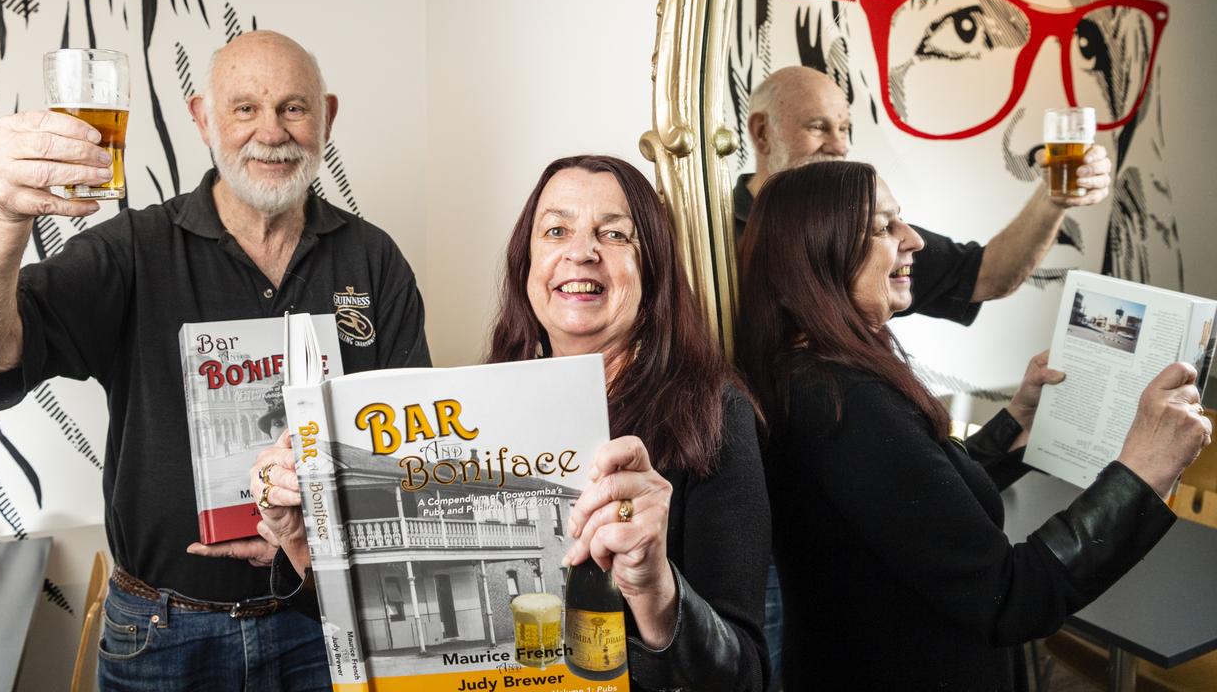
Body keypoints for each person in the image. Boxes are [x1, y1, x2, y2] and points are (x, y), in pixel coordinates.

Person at [0, 31, 430, 690]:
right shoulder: (134, 250)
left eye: (293, 107)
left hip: (326, 619)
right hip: (164, 635)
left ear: (327, 116)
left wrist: (309, 526)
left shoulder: (373, 260)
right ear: (202, 119)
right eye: (245, 109)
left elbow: (414, 453)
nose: (272, 131)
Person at [253, 155, 771, 692]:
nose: (581, 251)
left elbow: (745, 676)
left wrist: (654, 586)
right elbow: (368, 636)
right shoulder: (484, 403)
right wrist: (299, 542)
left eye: (614, 234)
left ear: (654, 268)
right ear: (527, 264)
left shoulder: (713, 410)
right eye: (556, 230)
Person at [735, 160, 1211, 690]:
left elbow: (919, 500)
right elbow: (1011, 598)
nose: (913, 239)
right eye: (883, 226)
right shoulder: (845, 404)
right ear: (817, 251)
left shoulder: (803, 373)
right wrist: (1143, 469)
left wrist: (1014, 421)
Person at [736, 65, 1113, 325]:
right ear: (762, 132)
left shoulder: (875, 234)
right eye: (818, 127)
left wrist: (1053, 198)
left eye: (845, 128)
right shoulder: (704, 233)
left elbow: (988, 276)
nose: (839, 146)